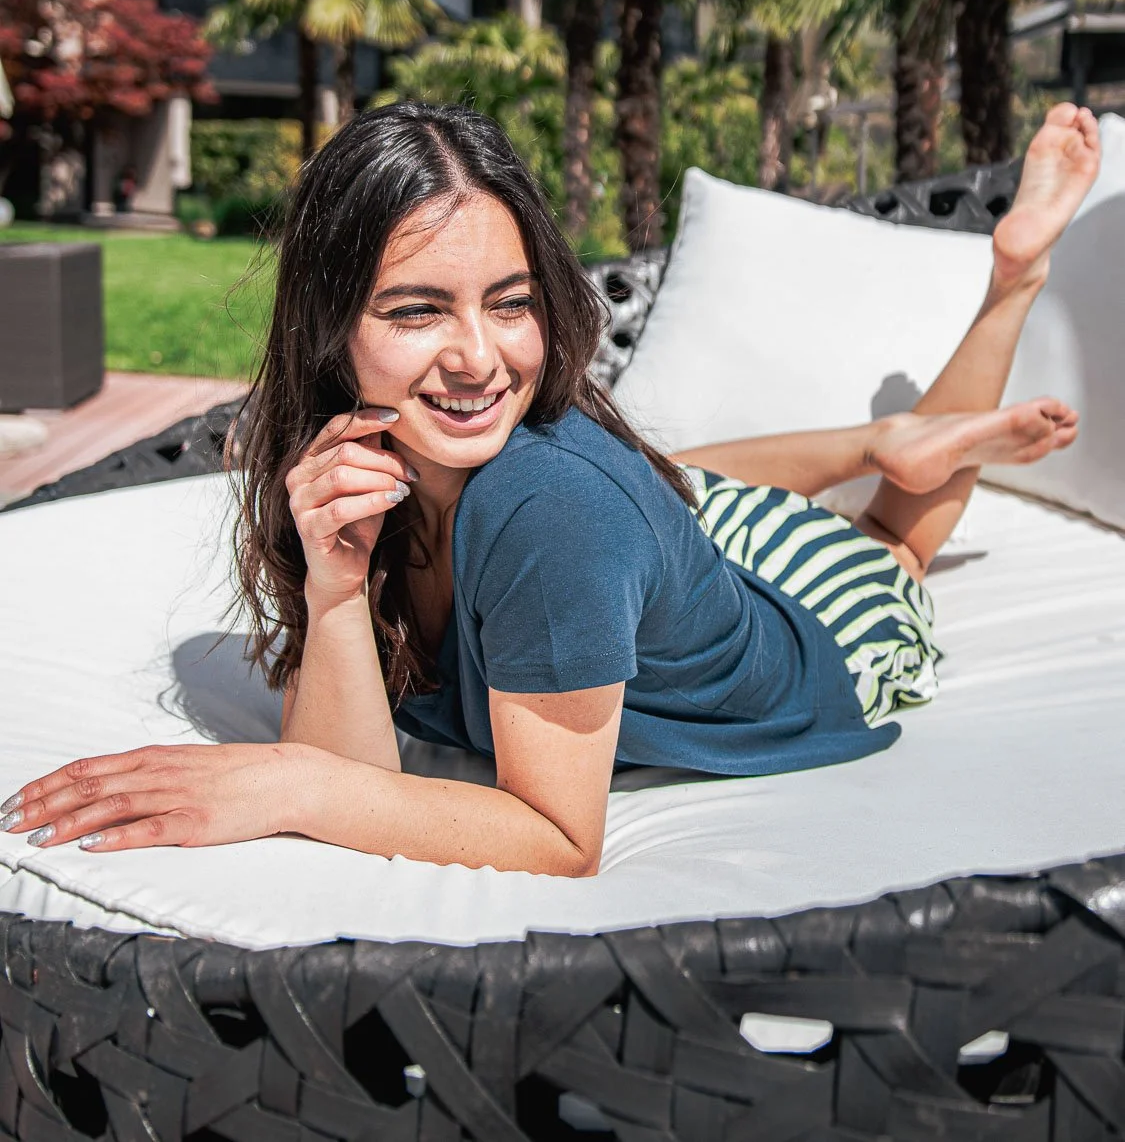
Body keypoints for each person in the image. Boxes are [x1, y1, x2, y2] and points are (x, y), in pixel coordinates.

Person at [0, 101, 1100, 876]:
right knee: (677, 486)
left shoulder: (549, 510)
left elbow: (558, 839)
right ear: (329, 326)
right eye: (417, 309)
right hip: (655, 544)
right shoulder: (362, 466)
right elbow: (351, 763)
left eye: (511, 301)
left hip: (819, 640)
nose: (480, 359)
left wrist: (281, 785)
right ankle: (884, 437)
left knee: (891, 546)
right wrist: (334, 588)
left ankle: (1005, 290)